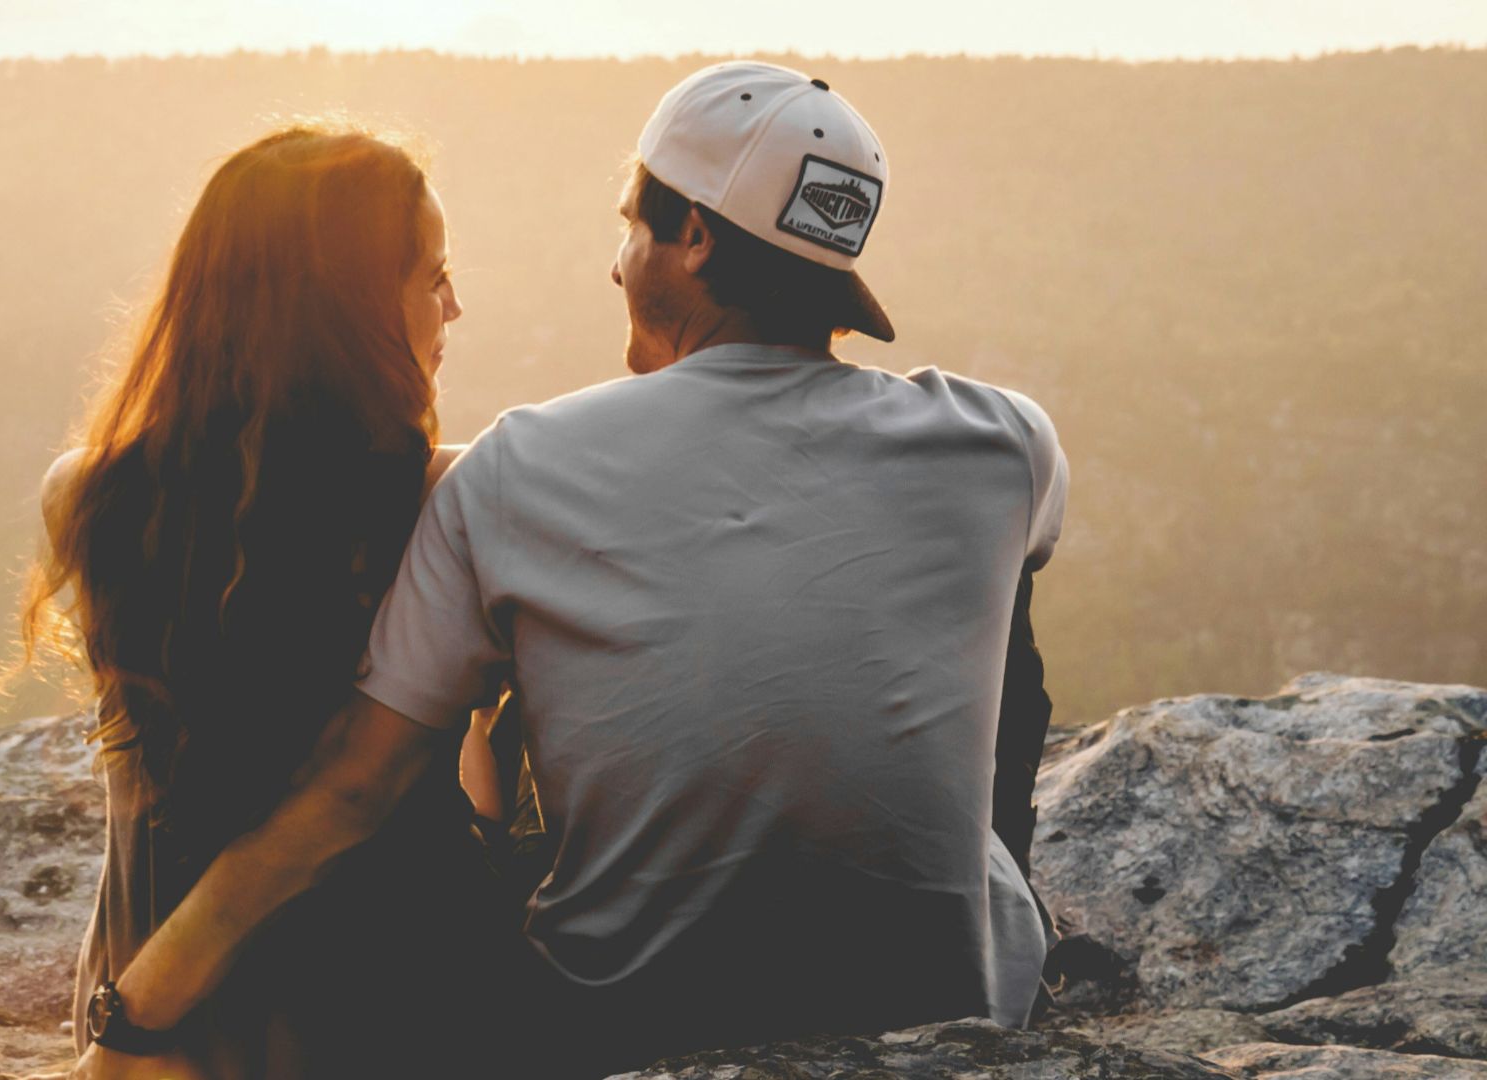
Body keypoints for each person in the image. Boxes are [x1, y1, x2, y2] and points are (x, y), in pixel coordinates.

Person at [75, 62, 1069, 1080]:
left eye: (632, 228)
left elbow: (352, 791)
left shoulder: (522, 469)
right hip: (944, 1006)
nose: (615, 265)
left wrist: (135, 1016)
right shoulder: (1005, 446)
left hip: (624, 1024)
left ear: (693, 239)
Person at [20, 122, 515, 1079]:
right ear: (347, 310)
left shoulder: (83, 493)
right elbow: (416, 783)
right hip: (388, 1011)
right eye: (431, 277)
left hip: (146, 1006)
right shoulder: (446, 500)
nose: (454, 305)